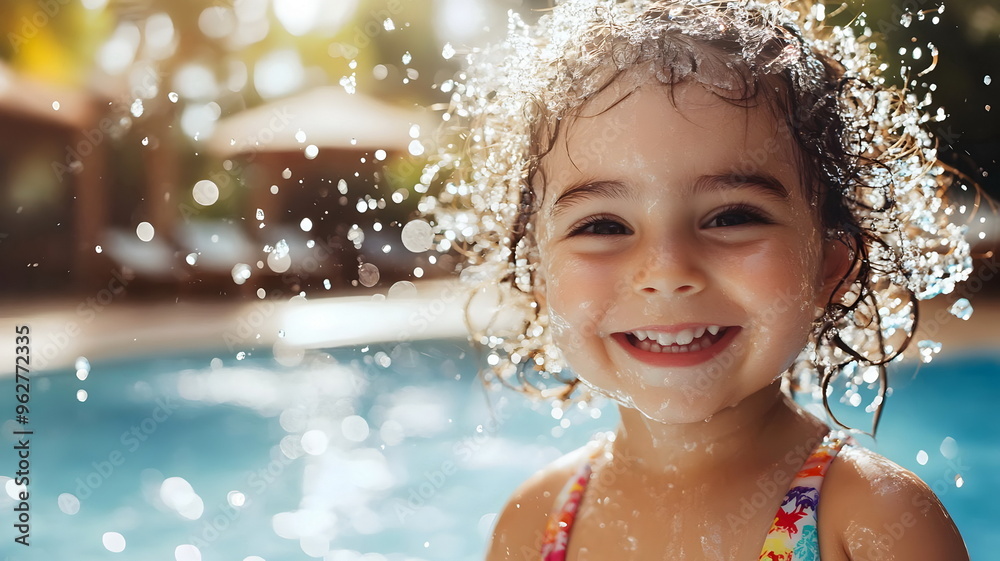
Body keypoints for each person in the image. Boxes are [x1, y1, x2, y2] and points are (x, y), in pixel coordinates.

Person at [421, 0, 977, 558]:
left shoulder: (871, 521)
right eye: (604, 225)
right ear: (538, 277)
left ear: (829, 266)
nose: (666, 271)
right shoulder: (533, 523)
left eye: (732, 217)